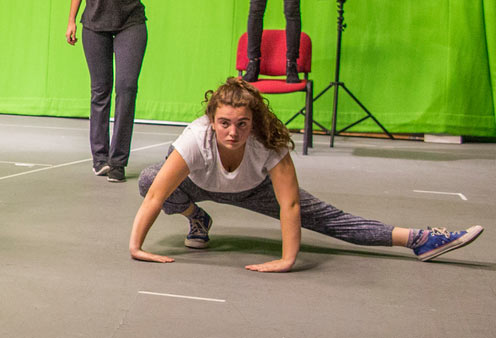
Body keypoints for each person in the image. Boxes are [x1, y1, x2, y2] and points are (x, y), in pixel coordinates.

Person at [130, 78, 483, 272]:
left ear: (253, 123)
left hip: (254, 189)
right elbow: (158, 195)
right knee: (149, 179)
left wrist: (287, 259)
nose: (232, 132)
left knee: (334, 220)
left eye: (241, 124)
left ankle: (421, 240)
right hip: (199, 185)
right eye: (224, 123)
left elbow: (291, 205)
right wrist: (136, 247)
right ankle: (198, 220)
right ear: (212, 120)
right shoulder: (195, 138)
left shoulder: (268, 141)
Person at [65, 0, 174, 183]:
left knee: (126, 89)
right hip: (95, 24)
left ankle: (118, 162)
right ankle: (99, 158)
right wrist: (72, 20)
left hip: (130, 23)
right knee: (100, 90)